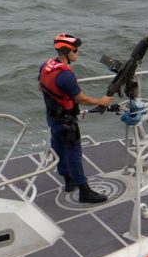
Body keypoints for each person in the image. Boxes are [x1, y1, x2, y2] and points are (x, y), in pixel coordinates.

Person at [39, 33, 114, 204]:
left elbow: (43, 87)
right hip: (67, 122)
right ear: (66, 51)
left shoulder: (45, 66)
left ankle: (68, 181)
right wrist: (101, 101)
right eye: (75, 50)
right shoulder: (66, 75)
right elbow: (81, 98)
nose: (78, 53)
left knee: (58, 148)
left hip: (53, 118)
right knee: (74, 154)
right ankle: (84, 191)